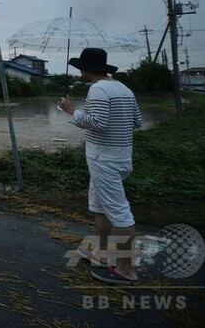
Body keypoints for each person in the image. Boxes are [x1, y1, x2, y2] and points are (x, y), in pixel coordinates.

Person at [59, 48, 142, 285]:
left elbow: (98, 124)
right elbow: (137, 121)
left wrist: (71, 111)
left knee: (119, 212)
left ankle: (127, 269)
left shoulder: (97, 90)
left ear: (85, 69)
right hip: (121, 157)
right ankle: (102, 253)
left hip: (103, 160)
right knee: (100, 205)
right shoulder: (124, 88)